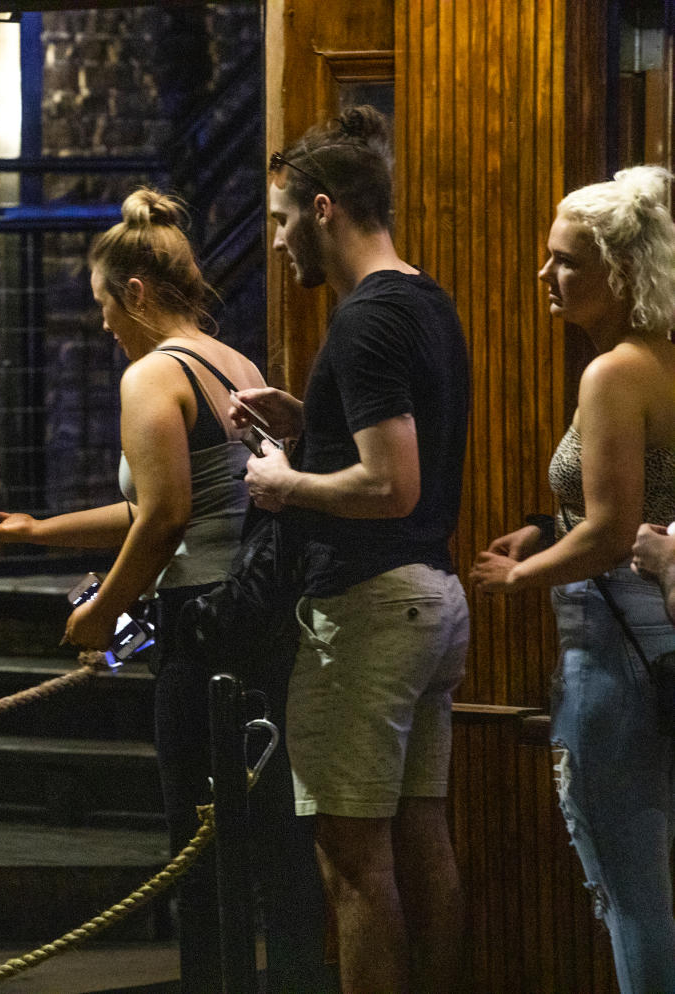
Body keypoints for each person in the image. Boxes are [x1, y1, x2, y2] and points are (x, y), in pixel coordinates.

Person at [0, 188, 324, 993]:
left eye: (104, 305)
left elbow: (164, 521)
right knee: (275, 847)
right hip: (261, 622)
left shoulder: (152, 377)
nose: (103, 323)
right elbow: (162, 503)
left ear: (137, 294)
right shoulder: (236, 363)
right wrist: (40, 532)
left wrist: (100, 613)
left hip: (202, 628)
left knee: (198, 849)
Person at [237, 106, 471, 993]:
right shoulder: (424, 300)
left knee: (352, 863)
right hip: (430, 600)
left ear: (324, 208)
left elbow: (390, 486)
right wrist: (312, 423)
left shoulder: (366, 320)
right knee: (422, 843)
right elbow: (398, 451)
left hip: (371, 608)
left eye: (282, 219)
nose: (277, 240)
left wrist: (281, 482)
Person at [473, 166, 675, 994]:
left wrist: (519, 575)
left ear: (621, 274)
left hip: (618, 641)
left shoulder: (613, 373)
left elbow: (609, 532)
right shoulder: (659, 359)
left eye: (564, 262)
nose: (543, 276)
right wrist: (546, 524)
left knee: (630, 889)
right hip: (658, 631)